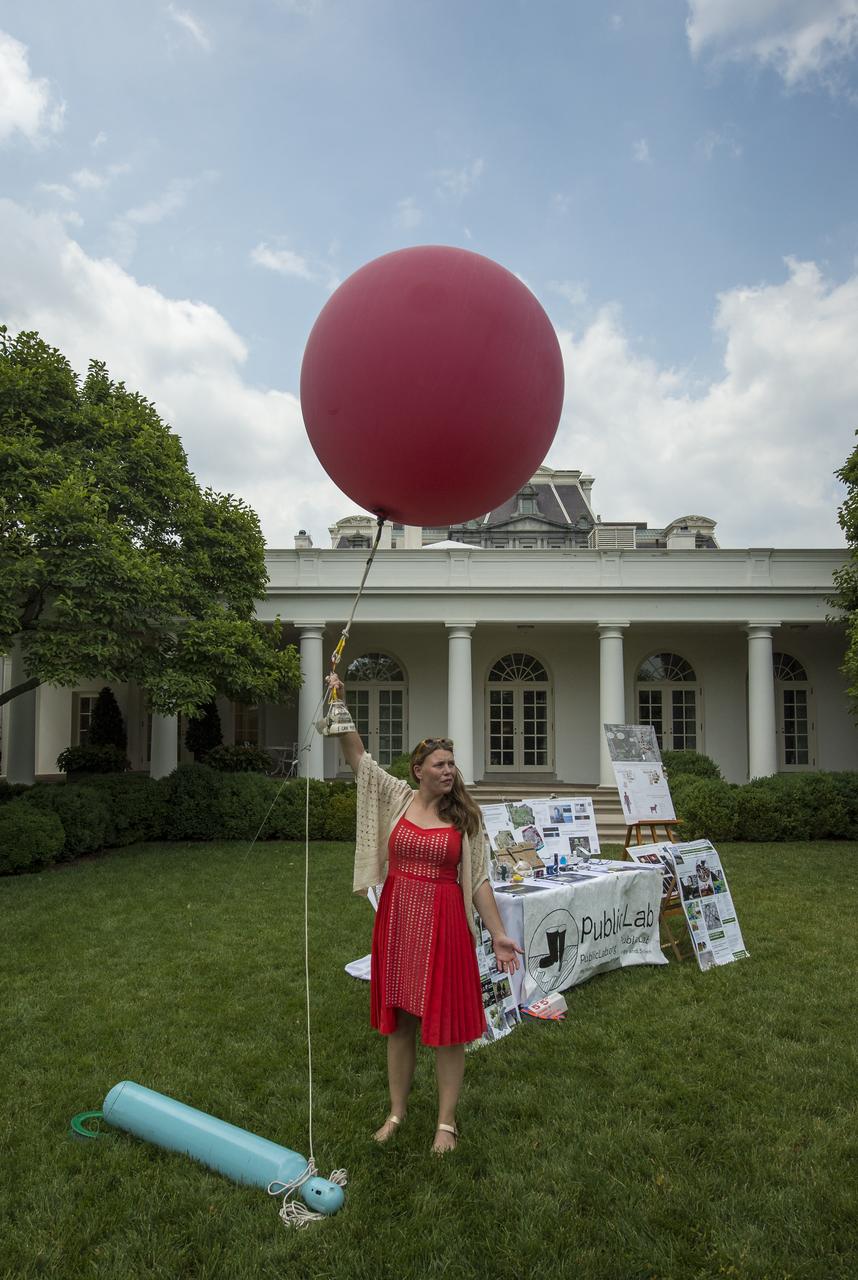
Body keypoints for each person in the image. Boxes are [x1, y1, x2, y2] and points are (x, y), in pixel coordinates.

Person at [327, 673, 522, 1155]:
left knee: (447, 1028)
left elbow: (476, 880)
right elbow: (358, 757)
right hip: (396, 920)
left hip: (444, 925)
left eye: (453, 763)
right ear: (419, 769)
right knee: (400, 1023)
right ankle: (396, 1112)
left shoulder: (464, 819)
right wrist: (339, 703)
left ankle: (446, 1123)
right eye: (440, 763)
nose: (449, 770)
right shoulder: (396, 797)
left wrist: (497, 933)